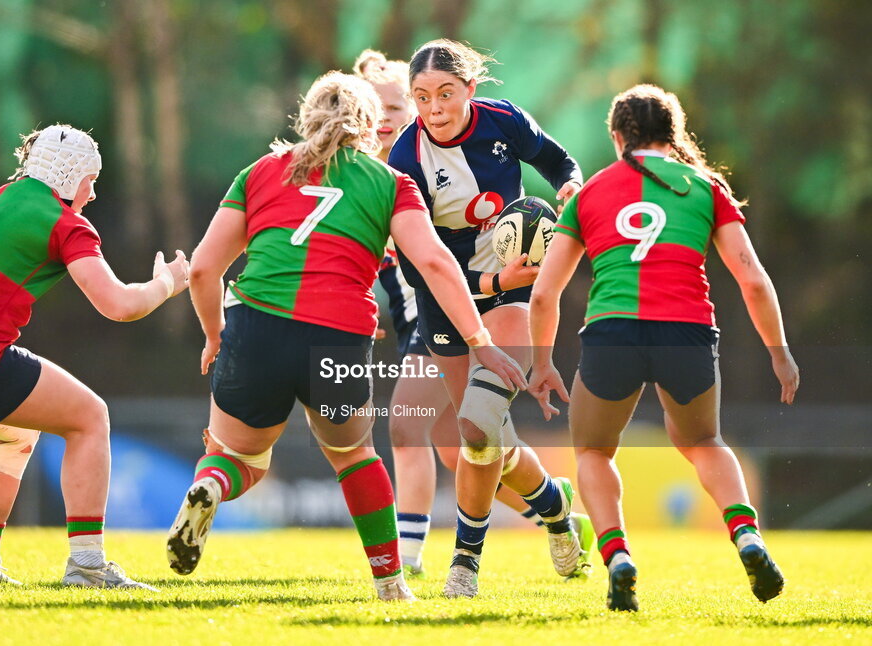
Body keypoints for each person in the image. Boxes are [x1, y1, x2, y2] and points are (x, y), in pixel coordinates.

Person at [165, 71, 527, 602]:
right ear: (367, 126)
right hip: (337, 334)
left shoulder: (260, 171)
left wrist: (216, 336)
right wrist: (480, 341)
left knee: (238, 456)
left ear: (305, 116)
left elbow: (202, 270)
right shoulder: (389, 183)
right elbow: (432, 262)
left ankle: (211, 486)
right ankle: (390, 583)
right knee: (353, 455)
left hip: (256, 323)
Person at [526, 84, 799, 611]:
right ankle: (746, 535)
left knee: (593, 451)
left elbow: (544, 293)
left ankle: (618, 555)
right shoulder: (705, 187)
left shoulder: (589, 194)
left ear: (617, 136)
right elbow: (754, 281)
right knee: (704, 442)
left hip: (613, 333)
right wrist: (779, 351)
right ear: (672, 135)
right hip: (687, 332)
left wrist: (541, 363)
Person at [0, 125, 189, 589]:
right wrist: (167, 283)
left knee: (15, 432)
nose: (91, 192)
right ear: (68, 176)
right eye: (90, 178)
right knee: (91, 417)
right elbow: (120, 306)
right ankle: (87, 564)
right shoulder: (62, 221)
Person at [355, 48, 593, 581]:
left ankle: (463, 568)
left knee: (476, 427)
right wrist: (488, 281)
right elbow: (421, 269)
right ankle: (558, 513)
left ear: (470, 87)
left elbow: (558, 161)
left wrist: (569, 187)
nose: (433, 109)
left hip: (511, 298)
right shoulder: (406, 161)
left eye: (445, 94)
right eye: (422, 98)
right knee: (487, 441)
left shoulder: (503, 119)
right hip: (449, 303)